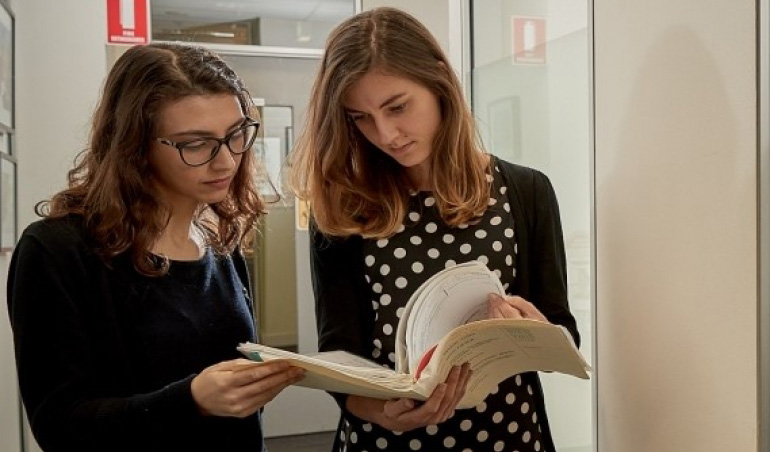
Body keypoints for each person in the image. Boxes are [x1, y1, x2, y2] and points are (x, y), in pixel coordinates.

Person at [290, 7, 580, 452]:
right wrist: (383, 411)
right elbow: (338, 354)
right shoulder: (345, 209)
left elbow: (562, 330)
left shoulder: (525, 190)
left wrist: (536, 332)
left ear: (439, 81)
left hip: (507, 433)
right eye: (360, 118)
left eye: (397, 107)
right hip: (386, 438)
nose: (386, 134)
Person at [6, 43, 304, 452]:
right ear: (135, 145)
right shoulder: (58, 249)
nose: (226, 162)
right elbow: (60, 425)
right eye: (196, 144)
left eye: (236, 134)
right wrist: (192, 400)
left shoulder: (218, 240)